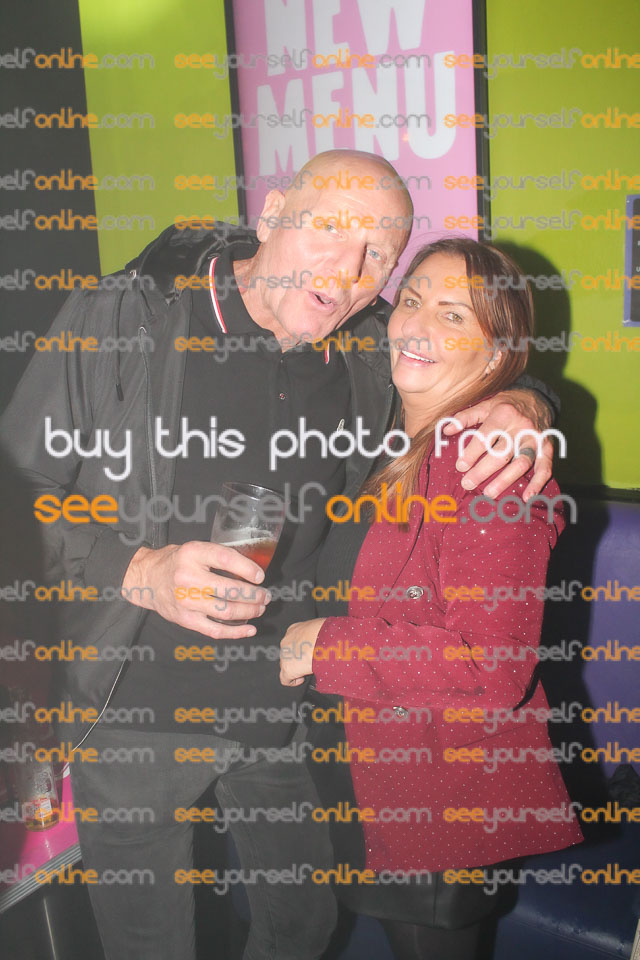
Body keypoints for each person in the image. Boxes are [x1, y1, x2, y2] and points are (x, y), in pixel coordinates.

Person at [1, 152, 556, 960]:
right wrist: (140, 571)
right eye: (330, 228)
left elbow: (466, 359)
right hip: (134, 712)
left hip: (286, 710)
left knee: (304, 927)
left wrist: (526, 403)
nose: (347, 269)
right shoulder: (124, 319)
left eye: (377, 254)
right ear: (270, 215)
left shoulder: (365, 349)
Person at [279, 237, 583, 960]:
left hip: (438, 794)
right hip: (361, 769)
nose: (416, 324)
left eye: (453, 315)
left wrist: (318, 645)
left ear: (496, 352)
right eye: (411, 300)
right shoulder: (388, 436)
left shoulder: (491, 470)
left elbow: (491, 670)